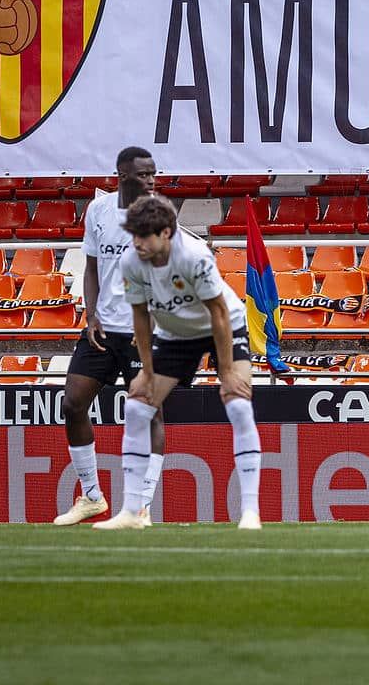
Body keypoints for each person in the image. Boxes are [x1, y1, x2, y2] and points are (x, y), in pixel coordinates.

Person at [96, 194, 262, 530]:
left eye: (145, 236)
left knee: (239, 404)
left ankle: (250, 513)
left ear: (167, 233)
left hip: (222, 325)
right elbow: (140, 317)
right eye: (134, 235)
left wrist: (226, 371)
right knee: (136, 407)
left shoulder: (193, 256)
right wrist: (145, 370)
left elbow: (217, 312)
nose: (137, 243)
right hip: (174, 335)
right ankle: (131, 512)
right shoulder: (131, 262)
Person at [54, 146, 167, 526]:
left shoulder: (159, 215)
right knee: (72, 403)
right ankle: (91, 497)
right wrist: (90, 314)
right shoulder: (98, 211)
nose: (151, 179)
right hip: (102, 329)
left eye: (153, 172)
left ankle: (141, 506)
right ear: (122, 176)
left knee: (147, 414)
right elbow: (90, 267)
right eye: (143, 173)